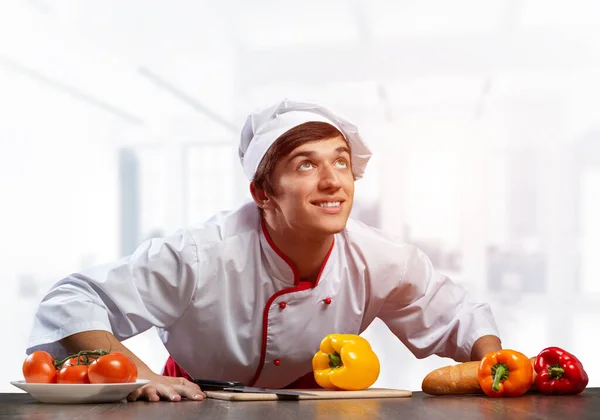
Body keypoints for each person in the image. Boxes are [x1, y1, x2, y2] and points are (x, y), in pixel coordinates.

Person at [26, 99, 502, 402]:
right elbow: (72, 300)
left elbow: (457, 314)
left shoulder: (379, 257)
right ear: (263, 194)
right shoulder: (201, 253)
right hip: (196, 405)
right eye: (305, 164)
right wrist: (142, 374)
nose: (333, 179)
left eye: (340, 160)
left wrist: (500, 369)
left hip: (317, 407)